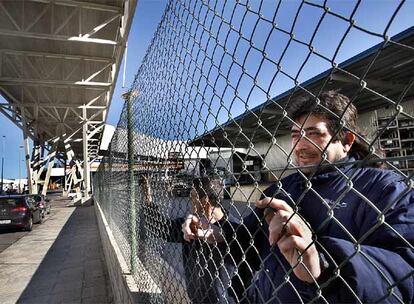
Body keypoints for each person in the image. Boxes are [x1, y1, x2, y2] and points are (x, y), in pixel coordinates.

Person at [183, 91, 414, 303]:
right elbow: (250, 242)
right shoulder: (282, 188)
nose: (301, 145)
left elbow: (404, 274)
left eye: (314, 134)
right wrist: (217, 234)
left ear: (346, 141)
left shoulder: (385, 189)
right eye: (296, 135)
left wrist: (322, 265)